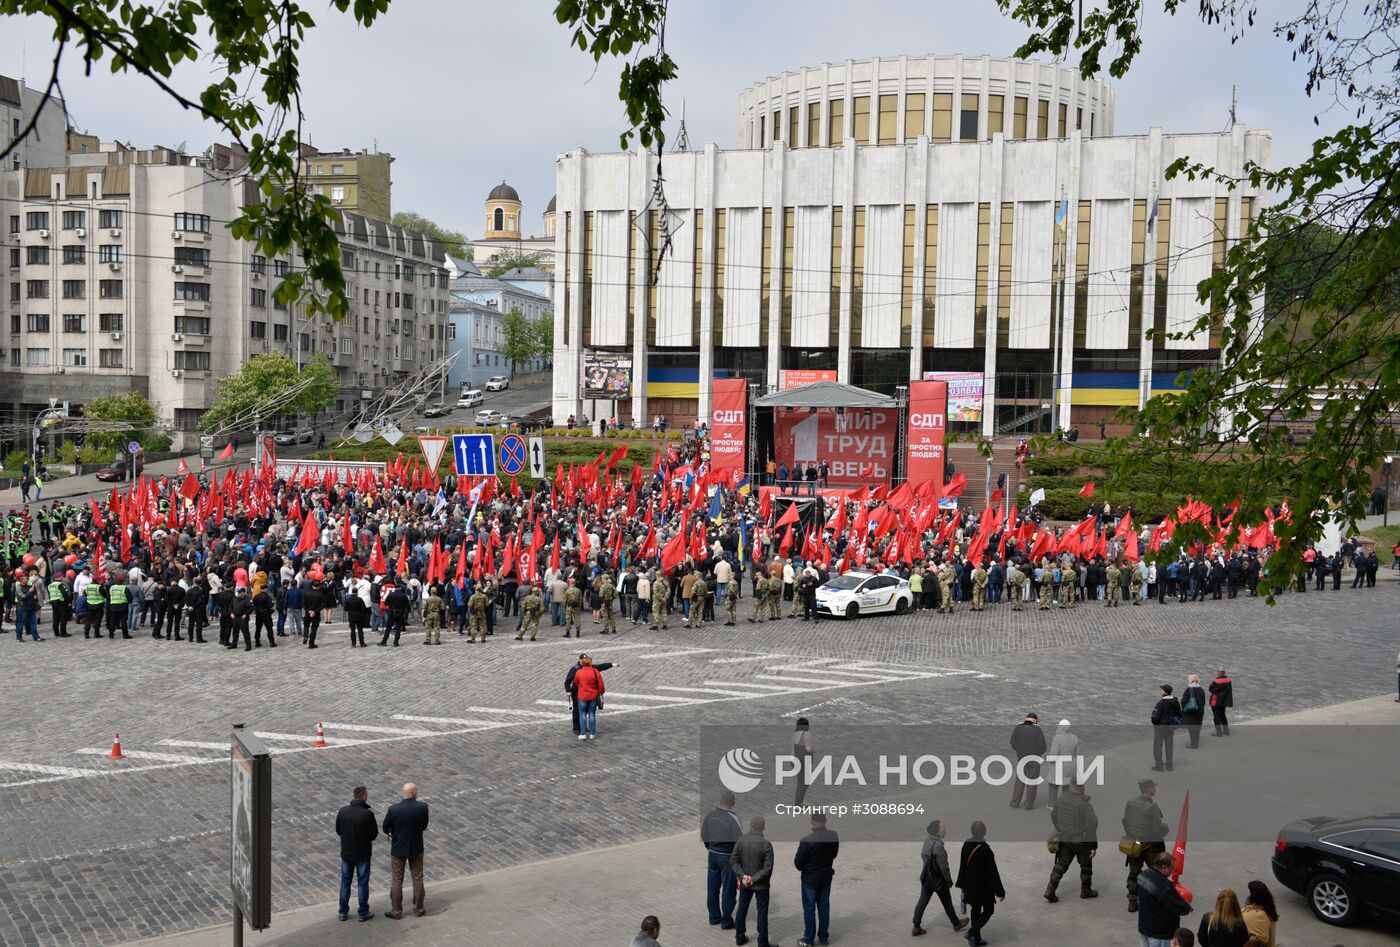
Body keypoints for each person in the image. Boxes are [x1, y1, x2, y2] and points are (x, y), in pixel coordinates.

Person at [381, 782, 430, 920]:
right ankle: (419, 909)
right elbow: (424, 825)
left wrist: (392, 832)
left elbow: (385, 827)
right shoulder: (422, 807)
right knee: (418, 878)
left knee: (397, 880)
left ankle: (396, 912)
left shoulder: (394, 809)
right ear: (414, 793)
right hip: (416, 847)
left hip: (398, 848)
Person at [912, 819, 969, 936]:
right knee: (947, 902)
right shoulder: (938, 846)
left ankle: (916, 926)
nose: (945, 830)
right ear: (937, 832)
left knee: (922, 902)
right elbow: (943, 866)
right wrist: (948, 880)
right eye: (942, 828)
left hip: (926, 878)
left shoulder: (927, 841)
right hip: (938, 881)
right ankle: (956, 923)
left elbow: (923, 856)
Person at [1123, 778, 1170, 913]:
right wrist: (1164, 830)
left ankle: (1132, 902)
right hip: (1150, 846)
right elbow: (1156, 831)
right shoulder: (1152, 808)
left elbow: (1125, 821)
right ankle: (1158, 901)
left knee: (1134, 873)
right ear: (1149, 789)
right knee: (1157, 874)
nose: (1155, 789)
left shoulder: (1130, 803)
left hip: (1133, 844)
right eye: (1154, 787)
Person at [1045, 782, 1098, 902]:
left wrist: (1060, 829)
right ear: (1082, 788)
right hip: (1081, 841)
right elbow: (1091, 827)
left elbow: (1053, 815)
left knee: (1061, 865)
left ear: (1070, 787)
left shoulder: (1060, 799)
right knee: (1086, 866)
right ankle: (1086, 890)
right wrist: (1093, 846)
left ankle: (1050, 889)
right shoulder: (1085, 805)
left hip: (1065, 839)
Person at [793, 811, 839, 947]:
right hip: (826, 876)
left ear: (812, 822)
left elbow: (798, 864)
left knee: (809, 909)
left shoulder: (806, 841)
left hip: (810, 879)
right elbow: (834, 854)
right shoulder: (833, 835)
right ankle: (824, 938)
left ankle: (808, 939)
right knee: (824, 907)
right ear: (825, 821)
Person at [955, 820, 1004, 947]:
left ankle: (976, 940)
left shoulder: (966, 844)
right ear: (984, 832)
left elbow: (962, 865)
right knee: (988, 910)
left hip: (970, 887)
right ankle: (971, 933)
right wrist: (1000, 891)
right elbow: (993, 873)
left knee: (975, 910)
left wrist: (961, 884)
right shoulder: (986, 850)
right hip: (983, 889)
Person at [730, 816, 776, 947]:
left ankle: (739, 937)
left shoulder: (741, 840)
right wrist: (753, 879)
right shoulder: (766, 844)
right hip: (761, 885)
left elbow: (733, 861)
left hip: (745, 883)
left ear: (750, 825)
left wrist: (743, 876)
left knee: (742, 909)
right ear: (763, 827)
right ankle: (762, 942)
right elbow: (768, 868)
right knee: (762, 913)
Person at [335, 785, 377, 922]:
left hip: (347, 853)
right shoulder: (367, 814)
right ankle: (363, 912)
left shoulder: (343, 811)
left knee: (345, 882)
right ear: (364, 797)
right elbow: (373, 834)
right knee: (362, 883)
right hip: (363, 854)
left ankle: (342, 911)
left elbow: (338, 830)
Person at [702, 790, 743, 930]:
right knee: (728, 889)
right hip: (727, 857)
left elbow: (704, 835)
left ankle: (714, 917)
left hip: (712, 854)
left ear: (720, 801)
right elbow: (740, 841)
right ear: (733, 804)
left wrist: (711, 848)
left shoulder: (710, 816)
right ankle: (726, 921)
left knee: (712, 888)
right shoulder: (734, 818)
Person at [1137, 852, 1193, 947]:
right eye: (1172, 868)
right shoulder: (1164, 886)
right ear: (1164, 866)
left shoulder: (1143, 875)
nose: (1172, 871)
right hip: (1160, 933)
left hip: (1144, 927)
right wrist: (1187, 906)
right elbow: (1179, 906)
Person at [1009, 712, 1046, 810]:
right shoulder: (1038, 730)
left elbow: (1012, 742)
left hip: (1022, 758)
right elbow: (1043, 747)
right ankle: (1028, 804)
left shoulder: (1018, 728)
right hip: (1034, 759)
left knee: (1019, 781)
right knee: (1032, 783)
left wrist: (1019, 750)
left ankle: (1015, 802)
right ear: (1035, 721)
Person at [1046, 719, 1079, 809]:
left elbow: (1054, 753)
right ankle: (1065, 804)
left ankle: (1052, 804)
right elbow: (1076, 753)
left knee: (1053, 784)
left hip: (1059, 765)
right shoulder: (1074, 737)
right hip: (1071, 764)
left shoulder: (1057, 738)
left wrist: (1049, 761)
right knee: (1066, 785)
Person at [1151, 684, 1183, 772]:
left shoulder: (1160, 703)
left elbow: (1155, 717)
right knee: (1169, 746)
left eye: (1162, 690)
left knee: (1158, 746)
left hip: (1160, 728)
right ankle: (1169, 765)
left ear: (1165, 692)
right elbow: (1179, 715)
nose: (1160, 691)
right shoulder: (1176, 702)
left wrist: (1155, 723)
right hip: (1170, 727)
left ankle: (1159, 765)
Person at [573, 654, 605, 740]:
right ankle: (592, 733)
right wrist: (601, 693)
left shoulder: (579, 672)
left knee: (582, 714)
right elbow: (601, 685)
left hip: (582, 696)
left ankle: (583, 733)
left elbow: (575, 682)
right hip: (593, 696)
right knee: (592, 714)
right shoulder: (595, 671)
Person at [1241, 881, 1277, 947]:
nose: (1247, 892)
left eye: (1249, 890)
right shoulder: (1267, 909)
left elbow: (1259, 942)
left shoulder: (1260, 915)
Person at [1181, 674, 1208, 747]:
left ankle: (1193, 744)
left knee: (1191, 728)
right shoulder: (1201, 690)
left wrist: (1184, 709)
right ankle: (1196, 742)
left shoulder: (1188, 689)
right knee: (1197, 728)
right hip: (1200, 711)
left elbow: (1184, 701)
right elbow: (1204, 702)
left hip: (1191, 711)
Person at [1209, 668, 1234, 737]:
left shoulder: (1216, 681)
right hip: (1224, 701)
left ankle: (1219, 732)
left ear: (1218, 673)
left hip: (1216, 701)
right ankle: (1226, 731)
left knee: (1216, 717)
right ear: (1224, 673)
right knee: (1223, 715)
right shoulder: (1228, 681)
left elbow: (1210, 689)